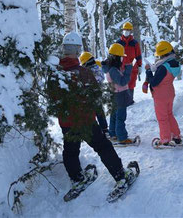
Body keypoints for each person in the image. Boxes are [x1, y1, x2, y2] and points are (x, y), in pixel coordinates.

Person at [48, 32, 136, 198]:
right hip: (85, 120)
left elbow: (52, 98)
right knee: (103, 146)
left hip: (66, 122)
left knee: (71, 150)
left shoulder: (54, 74)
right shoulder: (83, 73)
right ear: (78, 50)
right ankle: (120, 176)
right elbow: (95, 98)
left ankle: (76, 178)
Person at [145, 41, 182, 147]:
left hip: (160, 95)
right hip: (169, 92)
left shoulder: (163, 67)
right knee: (169, 115)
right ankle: (176, 136)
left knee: (162, 118)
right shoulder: (173, 63)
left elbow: (154, 82)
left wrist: (148, 71)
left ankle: (165, 139)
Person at [101, 43, 134, 145]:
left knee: (114, 115)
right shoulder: (113, 70)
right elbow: (122, 81)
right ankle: (122, 137)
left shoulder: (111, 68)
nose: (122, 59)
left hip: (116, 94)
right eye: (120, 57)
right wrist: (128, 71)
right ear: (116, 57)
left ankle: (113, 134)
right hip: (119, 95)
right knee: (120, 117)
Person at [79, 51, 109, 137]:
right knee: (99, 111)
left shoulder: (90, 71)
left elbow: (97, 79)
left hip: (93, 94)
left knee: (96, 112)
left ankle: (101, 129)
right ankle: (103, 128)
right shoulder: (96, 66)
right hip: (96, 93)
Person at [116, 22, 142, 101]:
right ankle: (123, 100)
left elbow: (138, 56)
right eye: (124, 29)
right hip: (121, 67)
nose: (126, 31)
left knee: (131, 84)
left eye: (128, 30)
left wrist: (139, 66)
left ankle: (130, 100)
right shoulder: (118, 43)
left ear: (130, 31)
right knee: (122, 84)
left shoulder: (134, 43)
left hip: (132, 67)